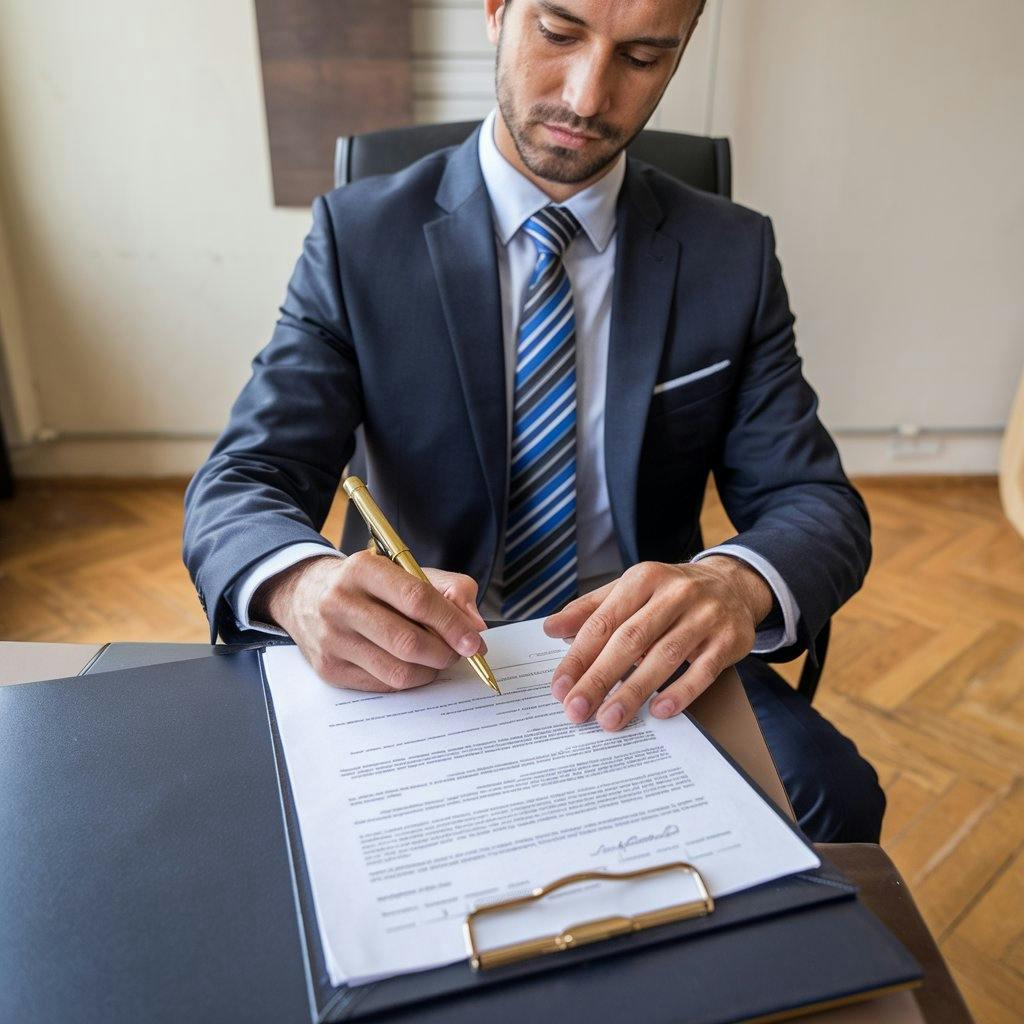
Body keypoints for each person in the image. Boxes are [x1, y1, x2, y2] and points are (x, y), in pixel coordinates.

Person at [184, 0, 885, 842]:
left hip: (638, 658)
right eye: (558, 33)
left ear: (682, 51)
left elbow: (818, 503)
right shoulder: (359, 237)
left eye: (643, 57)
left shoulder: (729, 253)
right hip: (417, 668)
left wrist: (732, 583)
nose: (588, 98)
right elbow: (243, 481)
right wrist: (300, 586)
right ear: (495, 11)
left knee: (835, 798)